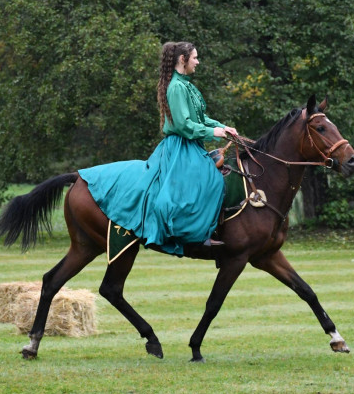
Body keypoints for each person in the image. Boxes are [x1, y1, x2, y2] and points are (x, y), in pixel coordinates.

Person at [79, 42, 239, 255]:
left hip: (191, 145)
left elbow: (200, 118)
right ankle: (195, 234)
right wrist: (213, 133)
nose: (198, 62)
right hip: (181, 147)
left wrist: (222, 127)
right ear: (182, 59)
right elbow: (183, 125)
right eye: (194, 58)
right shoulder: (176, 87)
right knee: (211, 180)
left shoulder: (187, 85)